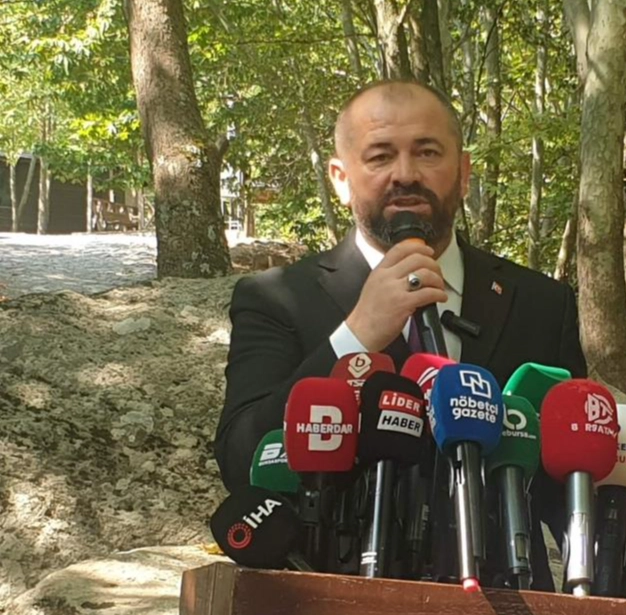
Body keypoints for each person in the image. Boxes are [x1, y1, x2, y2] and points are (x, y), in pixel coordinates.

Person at [214, 79, 586, 590]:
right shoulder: (276, 298)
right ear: (341, 179)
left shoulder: (542, 303)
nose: (405, 174)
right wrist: (358, 334)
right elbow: (242, 460)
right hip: (332, 592)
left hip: (503, 596)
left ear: (464, 172)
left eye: (427, 152)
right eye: (380, 156)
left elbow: (567, 482)